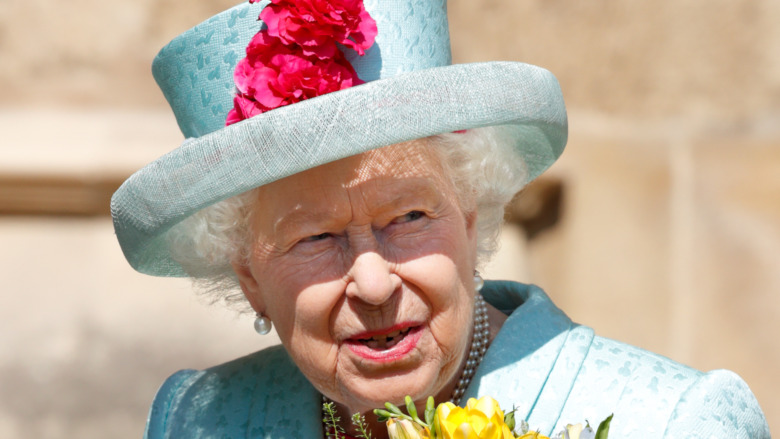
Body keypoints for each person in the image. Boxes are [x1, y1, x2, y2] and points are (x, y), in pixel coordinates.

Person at [111, 0, 770, 437]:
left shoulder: (673, 422)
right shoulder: (199, 421)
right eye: (316, 237)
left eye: (408, 216)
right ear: (250, 275)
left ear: (474, 217)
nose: (372, 283)